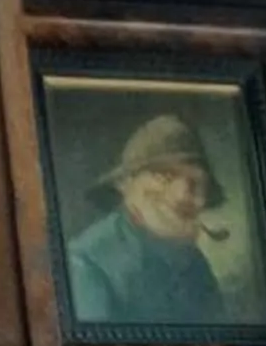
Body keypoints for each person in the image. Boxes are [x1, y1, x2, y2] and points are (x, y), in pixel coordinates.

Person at [64, 112, 231, 326]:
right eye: (164, 176)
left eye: (195, 182)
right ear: (125, 184)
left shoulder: (195, 264)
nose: (182, 194)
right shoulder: (87, 264)